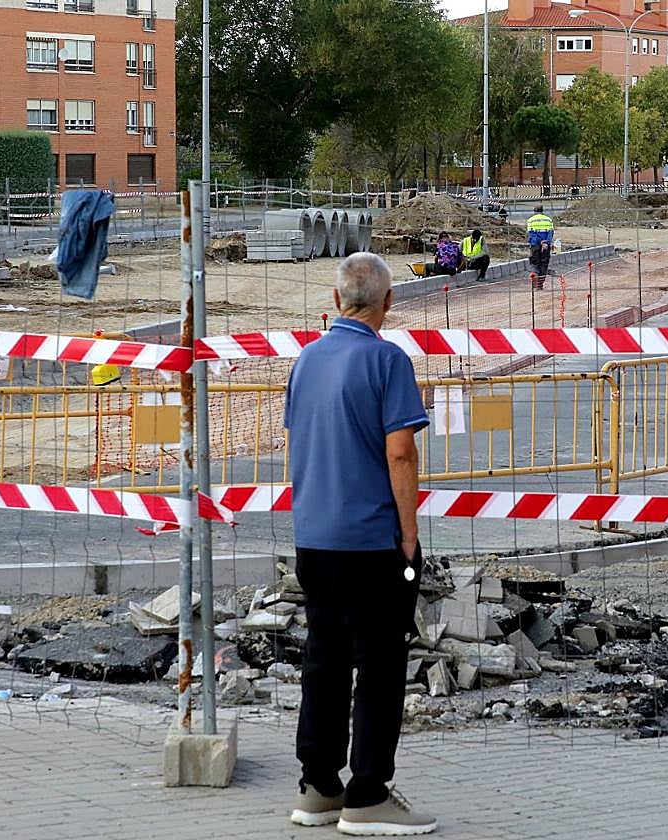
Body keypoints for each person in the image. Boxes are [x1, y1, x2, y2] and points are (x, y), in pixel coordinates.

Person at [285, 252, 437, 837]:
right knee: (379, 665)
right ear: (388, 302)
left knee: (323, 659)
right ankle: (367, 794)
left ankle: (318, 784)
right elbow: (400, 452)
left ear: (336, 298)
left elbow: (303, 441)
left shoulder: (307, 360)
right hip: (371, 542)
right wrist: (408, 534)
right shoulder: (387, 361)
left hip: (314, 539)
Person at [527, 205, 555, 278]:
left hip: (535, 245)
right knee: (544, 263)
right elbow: (551, 233)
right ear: (542, 211)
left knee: (535, 263)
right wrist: (546, 242)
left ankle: (535, 282)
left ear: (534, 211)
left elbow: (532, 234)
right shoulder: (548, 220)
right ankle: (540, 284)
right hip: (546, 246)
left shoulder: (531, 220)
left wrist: (540, 242)